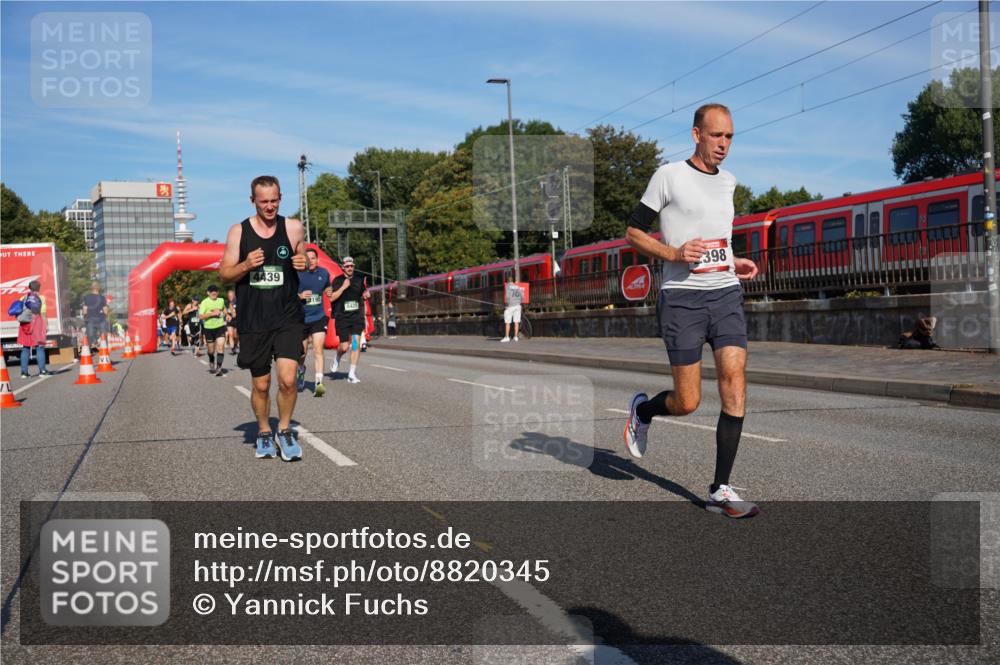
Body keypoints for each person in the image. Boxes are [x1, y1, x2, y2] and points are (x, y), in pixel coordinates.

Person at [623, 103, 760, 519]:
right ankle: (643, 411)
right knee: (687, 402)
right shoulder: (668, 176)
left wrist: (733, 260)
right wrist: (674, 253)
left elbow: (719, 238)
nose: (724, 144)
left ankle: (720, 489)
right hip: (682, 299)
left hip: (725, 293)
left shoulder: (729, 182)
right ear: (697, 135)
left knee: (734, 381)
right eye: (716, 135)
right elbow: (633, 232)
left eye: (730, 136)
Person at [219, 175, 307, 461]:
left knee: (288, 380)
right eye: (263, 202)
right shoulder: (239, 232)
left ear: (280, 198)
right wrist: (246, 264)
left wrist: (304, 261)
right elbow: (224, 274)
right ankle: (264, 431)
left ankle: (284, 429)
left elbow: (304, 256)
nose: (270, 207)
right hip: (254, 319)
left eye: (274, 201)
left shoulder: (293, 227)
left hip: (287, 316)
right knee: (261, 385)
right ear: (252, 200)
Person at [328, 256, 370, 384]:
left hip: (356, 317)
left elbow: (364, 293)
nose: (350, 268)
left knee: (355, 344)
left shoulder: (359, 280)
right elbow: (331, 298)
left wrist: (366, 295)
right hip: (342, 317)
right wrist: (343, 287)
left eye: (352, 266)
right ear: (343, 267)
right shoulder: (337, 280)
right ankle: (337, 357)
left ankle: (351, 374)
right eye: (347, 266)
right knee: (344, 346)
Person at [297, 248, 331, 397]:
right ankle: (300, 369)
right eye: (308, 258)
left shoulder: (324, 273)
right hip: (302, 318)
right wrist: (300, 296)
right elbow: (287, 294)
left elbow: (327, 286)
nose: (311, 261)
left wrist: (329, 290)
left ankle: (319, 384)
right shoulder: (297, 274)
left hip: (318, 317)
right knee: (302, 353)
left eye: (313, 258)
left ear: (317, 260)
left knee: (318, 349)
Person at [17, 280, 51, 378]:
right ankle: (42, 371)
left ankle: (24, 373)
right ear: (39, 288)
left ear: (29, 288)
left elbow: (20, 312)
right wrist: (46, 325)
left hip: (25, 325)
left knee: (25, 348)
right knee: (39, 347)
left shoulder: (23, 298)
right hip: (36, 324)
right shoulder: (41, 298)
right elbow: (43, 313)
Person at [200, 285, 228, 375]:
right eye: (212, 291)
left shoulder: (221, 300)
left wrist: (227, 314)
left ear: (218, 292)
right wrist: (212, 314)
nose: (214, 292)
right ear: (208, 293)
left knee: (221, 346)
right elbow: (200, 316)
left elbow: (224, 309)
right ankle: (211, 359)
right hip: (209, 328)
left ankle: (219, 368)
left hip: (220, 327)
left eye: (215, 291)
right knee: (211, 351)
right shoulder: (204, 302)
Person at [501, 276, 524, 342]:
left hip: (510, 306)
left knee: (507, 322)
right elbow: (522, 296)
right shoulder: (517, 286)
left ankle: (507, 337)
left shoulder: (508, 286)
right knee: (516, 322)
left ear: (507, 281)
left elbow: (507, 297)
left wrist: (506, 304)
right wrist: (519, 302)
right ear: (512, 281)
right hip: (518, 306)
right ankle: (516, 337)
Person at [225, 289, 239, 355]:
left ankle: (235, 345)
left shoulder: (237, 302)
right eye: (229, 296)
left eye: (231, 296)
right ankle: (233, 349)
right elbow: (224, 310)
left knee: (235, 336)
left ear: (234, 296)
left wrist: (235, 312)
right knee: (230, 335)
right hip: (229, 320)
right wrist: (226, 315)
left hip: (236, 320)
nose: (230, 297)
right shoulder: (226, 303)